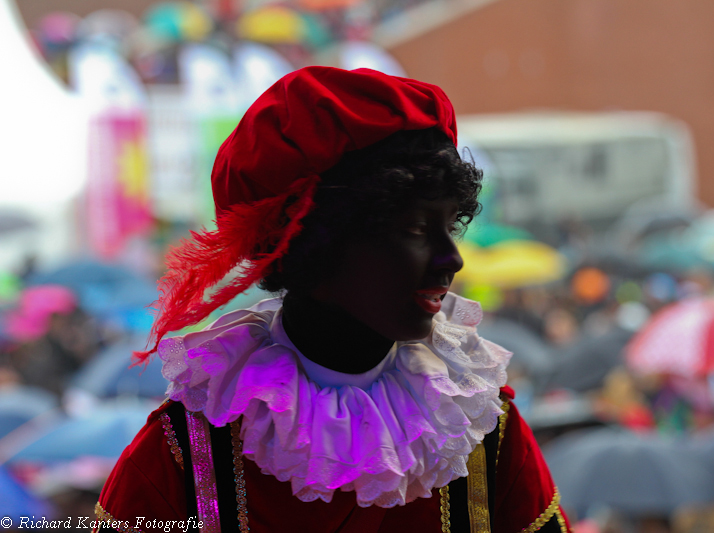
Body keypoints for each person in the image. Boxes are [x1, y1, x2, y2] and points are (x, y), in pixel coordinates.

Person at [93, 67, 569, 533]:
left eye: (450, 227)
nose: (452, 259)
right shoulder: (190, 447)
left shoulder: (475, 423)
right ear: (314, 245)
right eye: (416, 230)